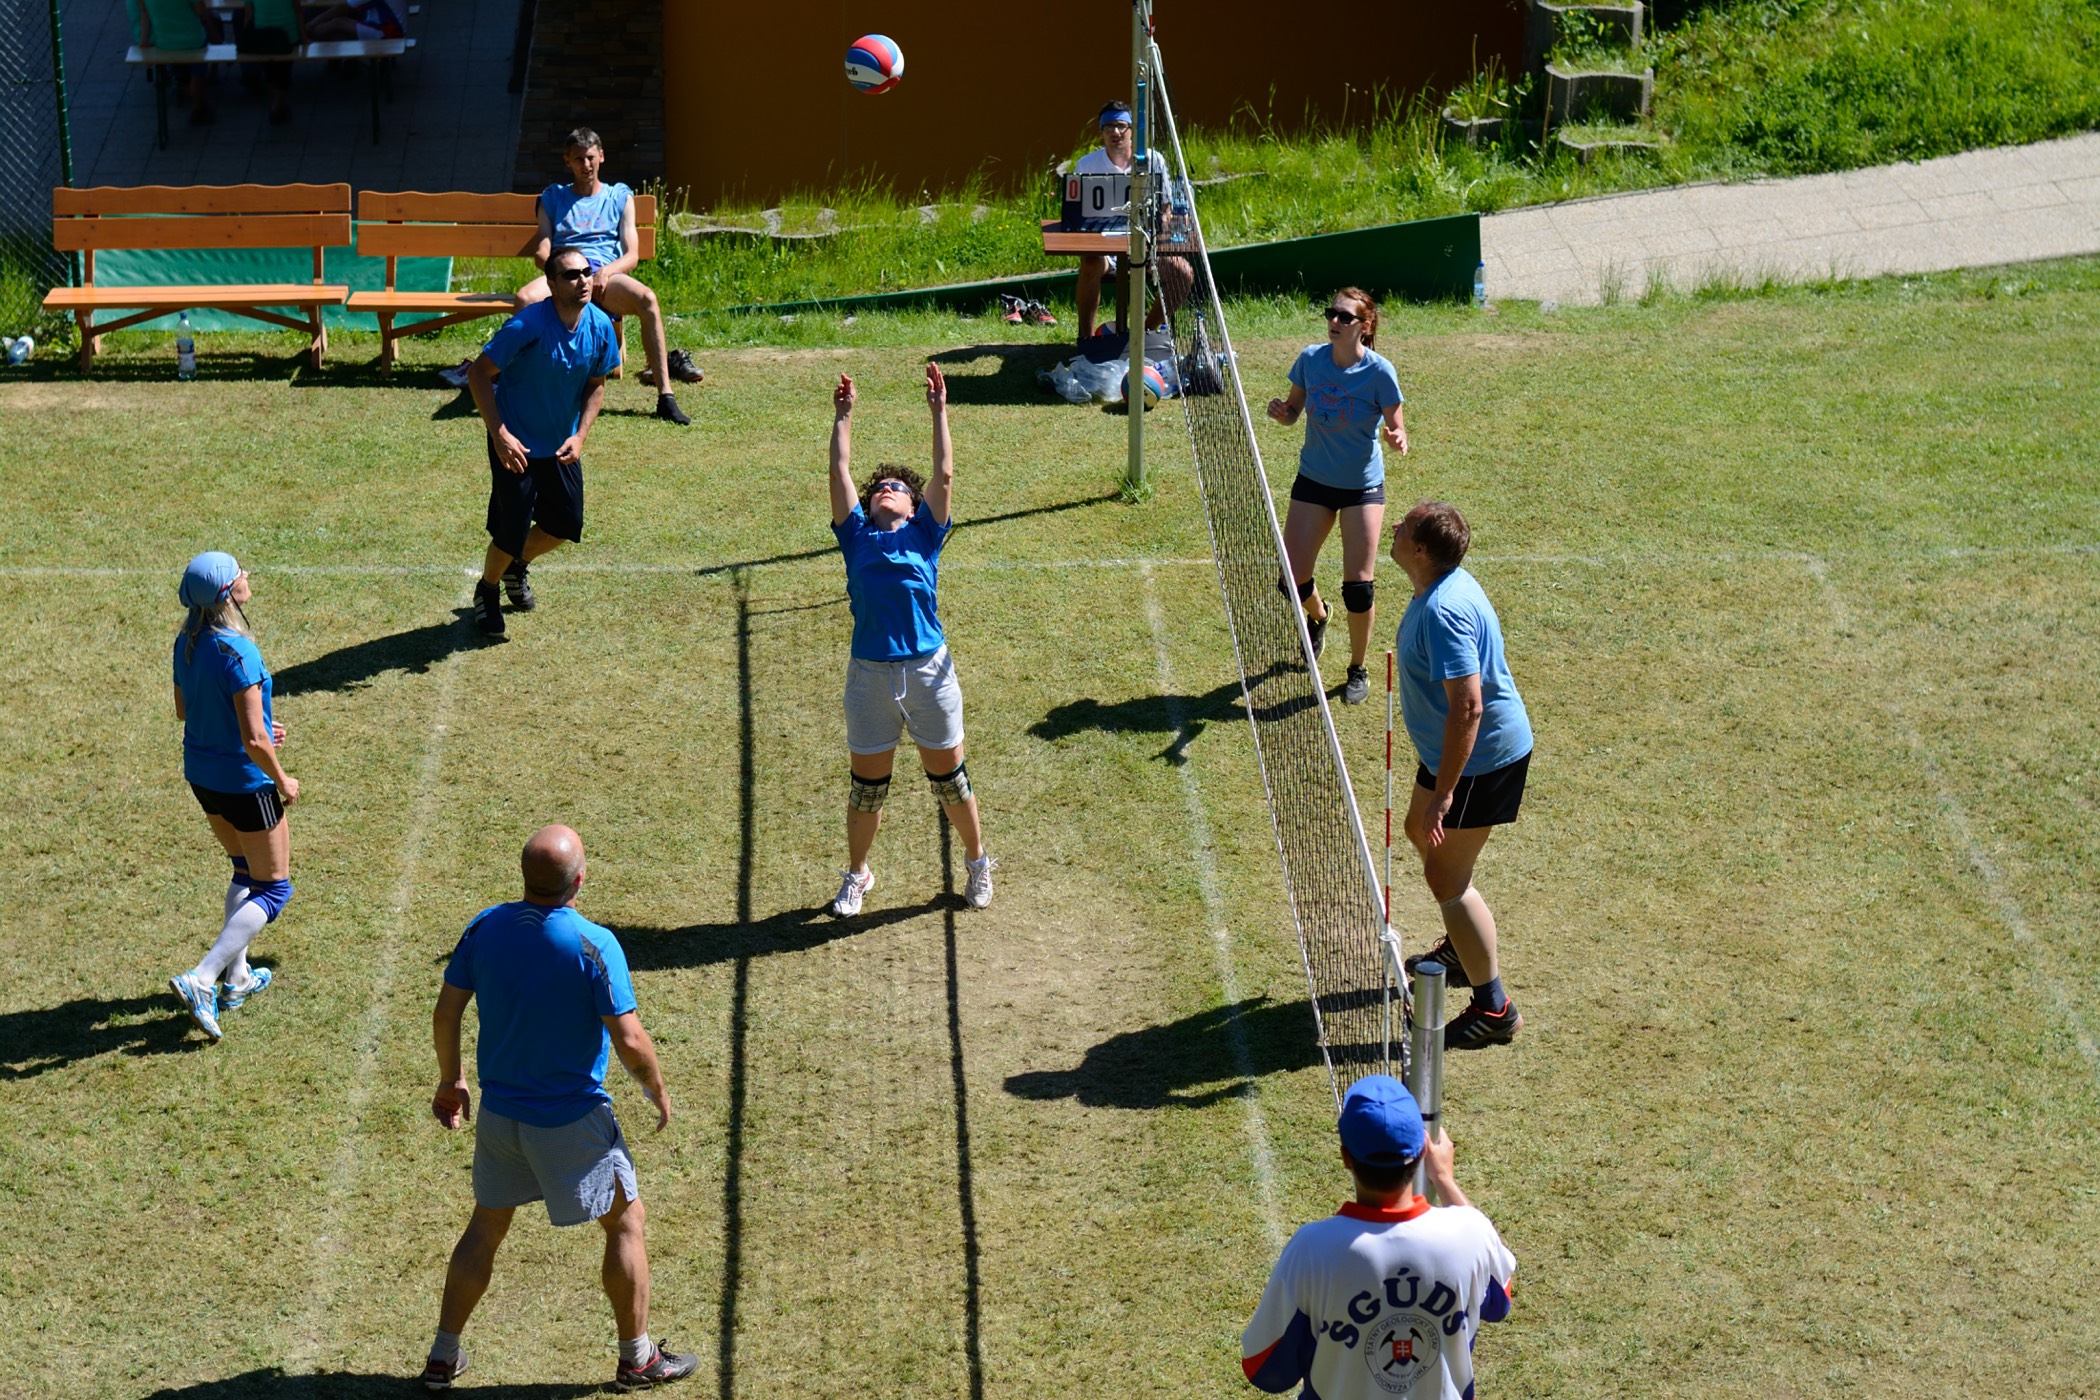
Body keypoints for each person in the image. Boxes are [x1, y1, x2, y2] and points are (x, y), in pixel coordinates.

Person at [421, 824, 698, 1394]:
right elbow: (630, 1039)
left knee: (487, 1224)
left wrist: (452, 1080)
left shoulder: (485, 928)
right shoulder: (594, 944)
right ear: (580, 879)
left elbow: (446, 1012)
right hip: (571, 1120)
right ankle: (638, 1359)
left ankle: (443, 1357)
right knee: (625, 1222)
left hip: (500, 1117)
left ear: (525, 875)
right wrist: (656, 1088)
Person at [827, 363, 997, 917]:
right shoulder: (855, 536)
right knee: (866, 789)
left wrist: (939, 411)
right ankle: (858, 874)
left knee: (950, 782)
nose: (885, 490)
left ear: (914, 505)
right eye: (879, 488)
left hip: (928, 673)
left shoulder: (926, 534)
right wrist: (843, 416)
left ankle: (977, 862)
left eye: (897, 488)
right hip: (870, 678)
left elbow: (944, 474)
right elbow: (839, 471)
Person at [1241, 1075, 1515, 1400]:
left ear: (1346, 1157)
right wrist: (1443, 1177)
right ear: (1423, 1151)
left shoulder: (1312, 1249)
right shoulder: (1471, 1233)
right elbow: (1499, 1303)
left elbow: (1265, 1369)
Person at [1391, 502, 1533, 1051]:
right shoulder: (1440, 586)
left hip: (1479, 761)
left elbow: (1469, 707)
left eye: (1405, 526)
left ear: (1421, 549)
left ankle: (1493, 1009)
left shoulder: (1443, 611)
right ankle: (1461, 941)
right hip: (1451, 753)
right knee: (1416, 828)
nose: (1395, 527)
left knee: (1446, 879)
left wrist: (1445, 792)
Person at [166, 551, 297, 1041]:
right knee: (274, 887)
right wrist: (282, 779)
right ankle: (203, 978)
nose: (247, 576)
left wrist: (256, 724)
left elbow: (186, 710)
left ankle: (237, 979)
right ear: (227, 594)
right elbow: (255, 742)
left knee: (244, 870)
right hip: (244, 783)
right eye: (240, 573)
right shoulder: (241, 653)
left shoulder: (186, 642)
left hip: (203, 777)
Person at [1265, 287, 1408, 707]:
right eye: (1332, 313)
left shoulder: (1380, 372)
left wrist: (1397, 437)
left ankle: (1357, 669)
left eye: (1345, 317)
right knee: (1291, 578)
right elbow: (1294, 411)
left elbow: (1397, 424)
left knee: (1358, 587)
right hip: (1315, 479)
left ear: (1364, 326)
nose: (1335, 322)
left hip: (1362, 487)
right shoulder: (1311, 360)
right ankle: (1320, 615)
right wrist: (1284, 413)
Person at [466, 244, 617, 637]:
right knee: (511, 528)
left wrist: (580, 436)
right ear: (551, 284)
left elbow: (596, 384)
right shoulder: (527, 326)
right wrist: (500, 435)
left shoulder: (601, 325)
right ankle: (488, 589)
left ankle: (516, 567)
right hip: (515, 442)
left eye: (586, 272)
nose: (582, 280)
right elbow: (479, 374)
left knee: (565, 523)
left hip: (560, 444)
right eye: (571, 274)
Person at [518, 127, 702, 427]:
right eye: (579, 159)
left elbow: (632, 254)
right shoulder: (553, 197)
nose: (586, 165)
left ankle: (665, 396)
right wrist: (560, 271)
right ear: (567, 161)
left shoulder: (619, 196)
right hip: (565, 271)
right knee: (525, 298)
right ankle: (526, 389)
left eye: (591, 157)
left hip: (605, 274)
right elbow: (543, 246)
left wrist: (606, 271)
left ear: (601, 157)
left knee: (648, 299)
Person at [1071, 100, 1194, 343]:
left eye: (1121, 126)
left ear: (1131, 130)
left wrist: (1153, 243)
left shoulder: (1153, 159)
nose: (1116, 132)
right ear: (1101, 132)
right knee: (1091, 263)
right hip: (1104, 246)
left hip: (1145, 243)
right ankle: (1086, 340)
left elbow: (1166, 208)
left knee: (1183, 272)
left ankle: (1143, 333)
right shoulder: (1086, 164)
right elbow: (1077, 212)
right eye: (1109, 127)